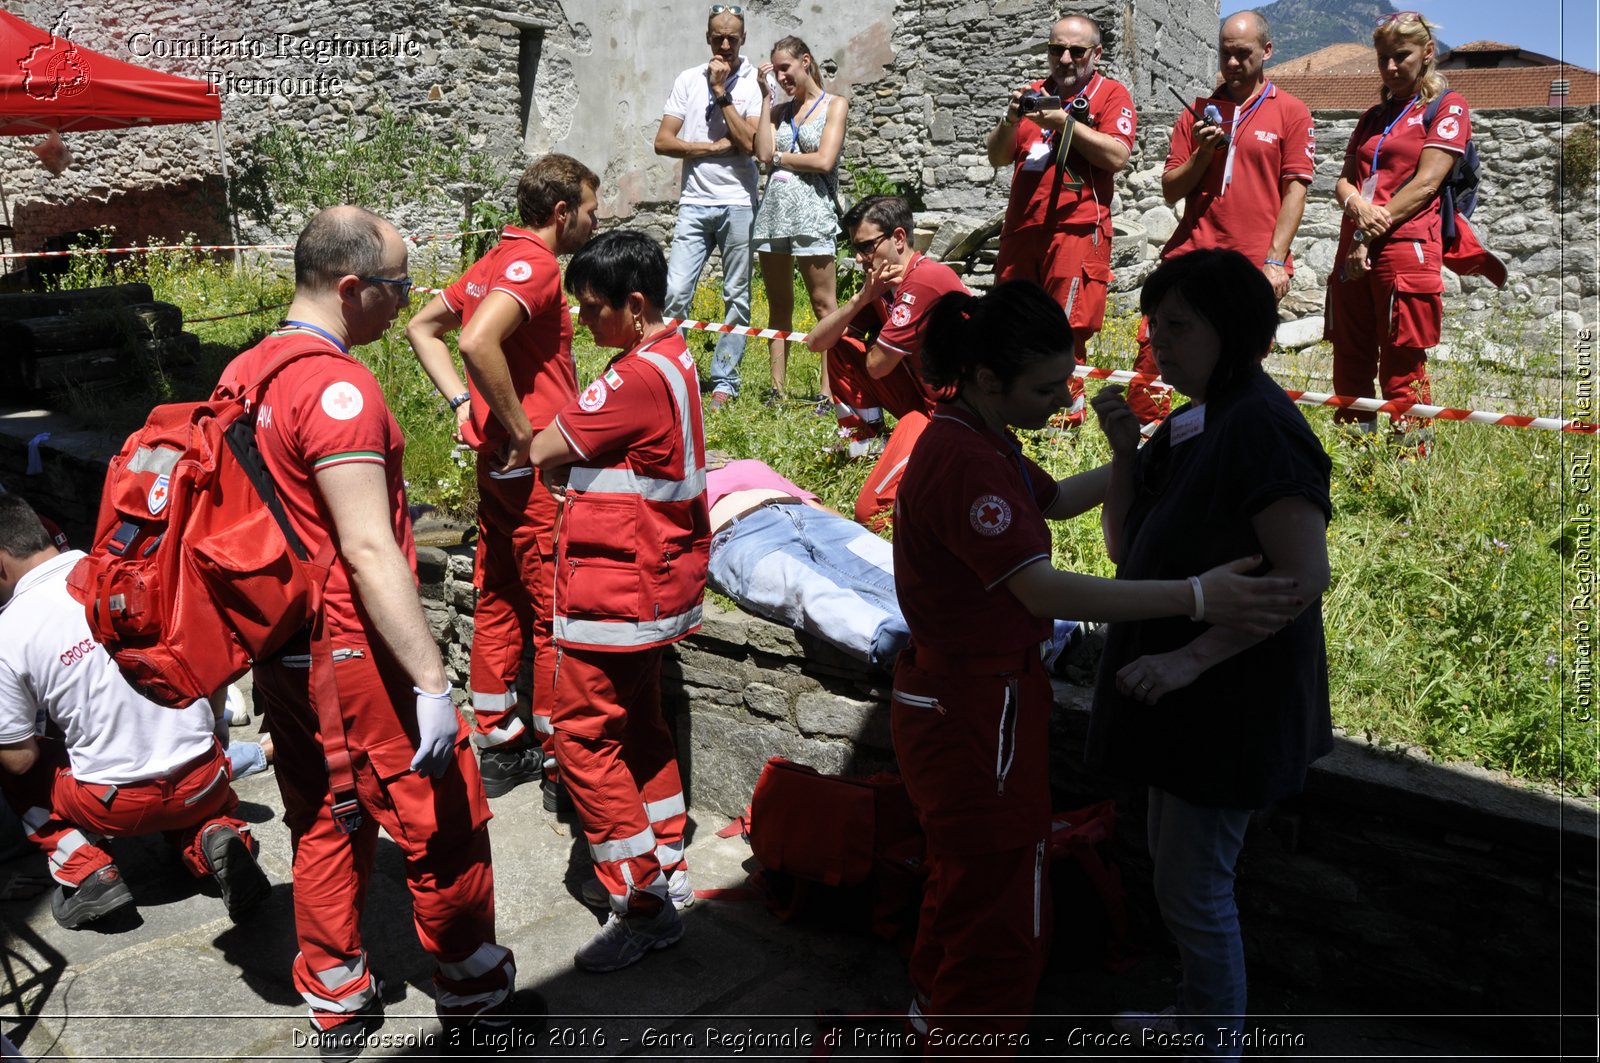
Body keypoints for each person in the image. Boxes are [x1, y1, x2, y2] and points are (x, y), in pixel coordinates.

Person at [889, 279, 1306, 1054]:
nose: (1059, 401)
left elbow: (1048, 502)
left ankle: (933, 1019)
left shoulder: (977, 435)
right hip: (976, 711)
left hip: (975, 700)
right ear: (987, 378)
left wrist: (1130, 456)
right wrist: (1194, 595)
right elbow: (1040, 585)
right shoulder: (963, 459)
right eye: (1047, 388)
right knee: (1002, 908)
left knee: (966, 880)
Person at [217, 206, 532, 1055]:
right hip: (349, 648)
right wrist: (432, 681)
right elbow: (365, 547)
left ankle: (336, 992)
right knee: (445, 812)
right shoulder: (338, 387)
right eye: (395, 287)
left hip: (282, 642)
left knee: (323, 813)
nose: (404, 303)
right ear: (351, 288)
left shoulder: (247, 369)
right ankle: (473, 987)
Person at [1087, 249, 1332, 1060]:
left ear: (1235, 331)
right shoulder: (1197, 415)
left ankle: (1216, 1044)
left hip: (1231, 695)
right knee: (1173, 872)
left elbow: (1303, 576)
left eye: (1180, 326)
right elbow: (1126, 547)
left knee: (1195, 888)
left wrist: (1191, 659)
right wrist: (1126, 451)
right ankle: (1197, 1016)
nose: (1159, 344)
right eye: (1154, 326)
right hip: (1179, 693)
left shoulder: (1261, 425)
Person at [528, 230, 709, 972]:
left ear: (636, 305)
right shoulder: (675, 357)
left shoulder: (632, 377)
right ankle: (667, 856)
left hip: (618, 584)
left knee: (578, 735)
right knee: (639, 723)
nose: (581, 320)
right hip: (653, 581)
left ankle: (641, 903)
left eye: (594, 308)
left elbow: (543, 448)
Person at [407, 154, 600, 806]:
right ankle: (559, 763)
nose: (594, 225)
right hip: (535, 468)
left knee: (498, 595)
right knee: (553, 615)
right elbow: (473, 340)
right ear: (563, 212)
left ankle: (498, 737)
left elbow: (422, 326)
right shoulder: (538, 265)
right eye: (592, 213)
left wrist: (465, 406)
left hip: (497, 467)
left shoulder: (495, 260)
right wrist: (522, 429)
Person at [0, 493, 270, 930]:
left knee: (14, 761)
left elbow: (20, 758)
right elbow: (214, 663)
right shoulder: (135, 571)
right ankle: (210, 834)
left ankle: (87, 870)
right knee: (175, 769)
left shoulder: (9, 630)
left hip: (115, 806)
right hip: (205, 778)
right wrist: (217, 734)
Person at [1127, 9, 1313, 425]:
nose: (1231, 63)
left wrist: (1274, 259)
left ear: (1267, 51)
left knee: (1232, 376)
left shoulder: (1291, 112)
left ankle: (1216, 460)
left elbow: (1295, 190)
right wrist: (1202, 153)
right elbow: (1172, 188)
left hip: (1249, 266)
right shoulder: (1197, 112)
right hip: (1191, 256)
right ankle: (1144, 458)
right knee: (1153, 363)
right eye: (1224, 53)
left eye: (1242, 53)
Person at [1328, 10, 1472, 452]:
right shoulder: (1372, 116)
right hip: (1355, 246)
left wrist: (1370, 228)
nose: (1391, 67)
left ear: (1428, 53)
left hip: (1404, 248)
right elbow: (1344, 178)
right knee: (1349, 359)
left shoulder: (1447, 107)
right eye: (1383, 58)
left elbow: (1428, 182)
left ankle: (1410, 465)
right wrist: (1355, 204)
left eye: (1401, 56)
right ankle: (1357, 462)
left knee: (1402, 364)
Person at [986, 14, 1136, 425]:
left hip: (1075, 227)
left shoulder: (1111, 94)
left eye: (1076, 51)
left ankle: (1064, 420)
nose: (1065, 58)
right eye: (1056, 49)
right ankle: (1017, 409)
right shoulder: (1033, 93)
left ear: (1096, 54)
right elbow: (996, 156)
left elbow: (1117, 155)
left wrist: (1066, 123)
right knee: (1011, 322)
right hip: (1023, 227)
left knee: (1065, 328)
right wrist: (1010, 120)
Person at [805, 195, 961, 526]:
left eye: (867, 247)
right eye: (855, 250)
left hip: (951, 417)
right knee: (841, 345)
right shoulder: (883, 286)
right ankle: (866, 441)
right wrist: (863, 298)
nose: (861, 259)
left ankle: (941, 481)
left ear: (899, 238)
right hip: (923, 401)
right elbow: (817, 343)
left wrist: (872, 313)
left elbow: (877, 366)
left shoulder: (924, 281)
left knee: (871, 512)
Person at [655, 4, 762, 409]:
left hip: (738, 202)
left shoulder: (752, 82)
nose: (725, 44)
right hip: (695, 201)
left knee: (736, 296)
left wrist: (721, 94)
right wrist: (707, 147)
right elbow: (663, 141)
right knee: (676, 291)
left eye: (733, 37)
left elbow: (750, 144)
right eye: (718, 36)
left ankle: (724, 382)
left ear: (744, 38)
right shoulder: (687, 79)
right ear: (707, 37)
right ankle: (677, 372)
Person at [752, 35, 848, 402]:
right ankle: (778, 389)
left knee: (824, 305)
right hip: (774, 215)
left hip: (813, 214)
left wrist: (781, 158)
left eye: (785, 68)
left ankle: (829, 391)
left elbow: (824, 160)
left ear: (805, 62)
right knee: (779, 305)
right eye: (775, 71)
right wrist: (765, 99)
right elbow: (763, 153)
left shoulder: (834, 105)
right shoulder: (778, 112)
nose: (780, 76)